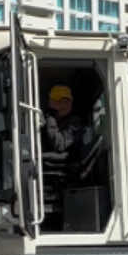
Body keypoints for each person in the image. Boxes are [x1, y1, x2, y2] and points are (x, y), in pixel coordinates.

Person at [40, 84, 86, 228]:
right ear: (50, 102)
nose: (63, 105)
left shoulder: (75, 123)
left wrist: (51, 118)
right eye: (59, 101)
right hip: (48, 174)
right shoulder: (46, 121)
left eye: (66, 101)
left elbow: (59, 145)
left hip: (65, 175)